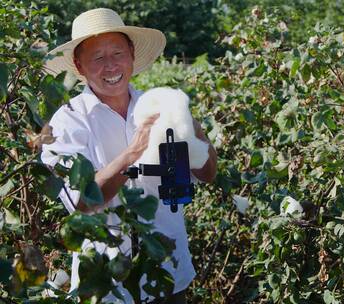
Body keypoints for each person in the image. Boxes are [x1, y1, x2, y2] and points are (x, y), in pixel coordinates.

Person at [41, 8, 217, 303]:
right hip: (107, 284)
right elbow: (82, 202)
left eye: (118, 54)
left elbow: (208, 174)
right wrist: (133, 151)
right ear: (78, 65)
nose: (110, 66)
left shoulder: (158, 107)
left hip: (169, 272)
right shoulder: (68, 122)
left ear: (132, 55)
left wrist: (193, 130)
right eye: (98, 57)